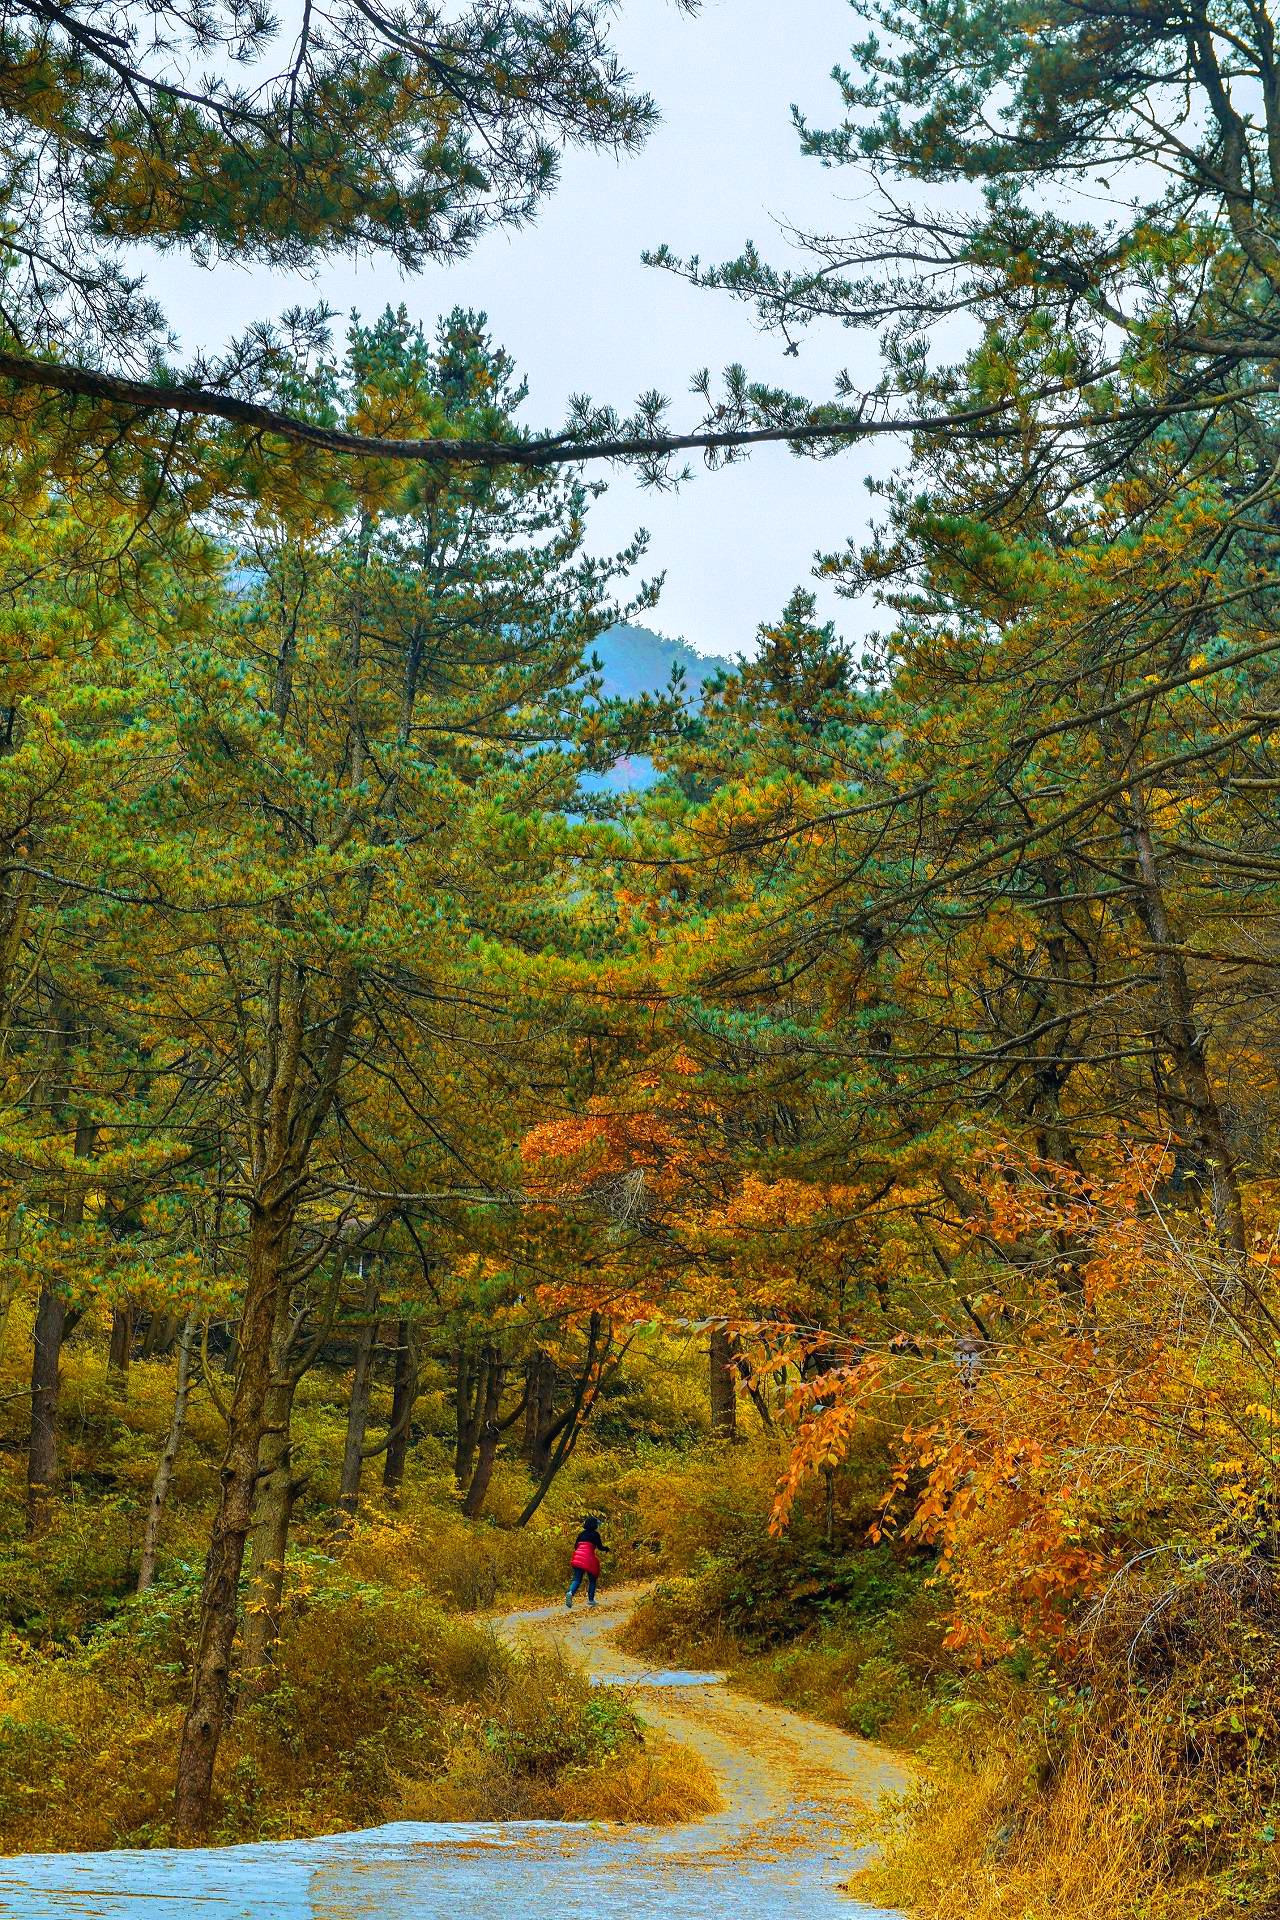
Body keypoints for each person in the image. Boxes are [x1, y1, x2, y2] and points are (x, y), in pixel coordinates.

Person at [566, 1515, 605, 1608]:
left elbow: (575, 1546)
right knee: (592, 1579)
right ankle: (591, 1600)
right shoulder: (595, 1534)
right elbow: (600, 1547)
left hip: (577, 1557)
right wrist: (606, 1549)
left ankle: (570, 1592)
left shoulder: (581, 1534)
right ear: (594, 1525)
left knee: (576, 1579)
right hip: (588, 1558)